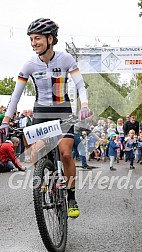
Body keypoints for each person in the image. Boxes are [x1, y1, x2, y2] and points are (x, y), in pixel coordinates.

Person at [1, 18, 90, 218]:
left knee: (66, 153)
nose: (33, 43)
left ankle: (71, 197)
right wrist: (6, 120)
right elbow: (16, 95)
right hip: (41, 113)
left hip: (62, 111)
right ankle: (47, 178)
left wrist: (84, 105)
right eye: (31, 39)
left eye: (37, 38)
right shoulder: (29, 65)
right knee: (35, 153)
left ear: (50, 39)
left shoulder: (66, 59)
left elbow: (81, 86)